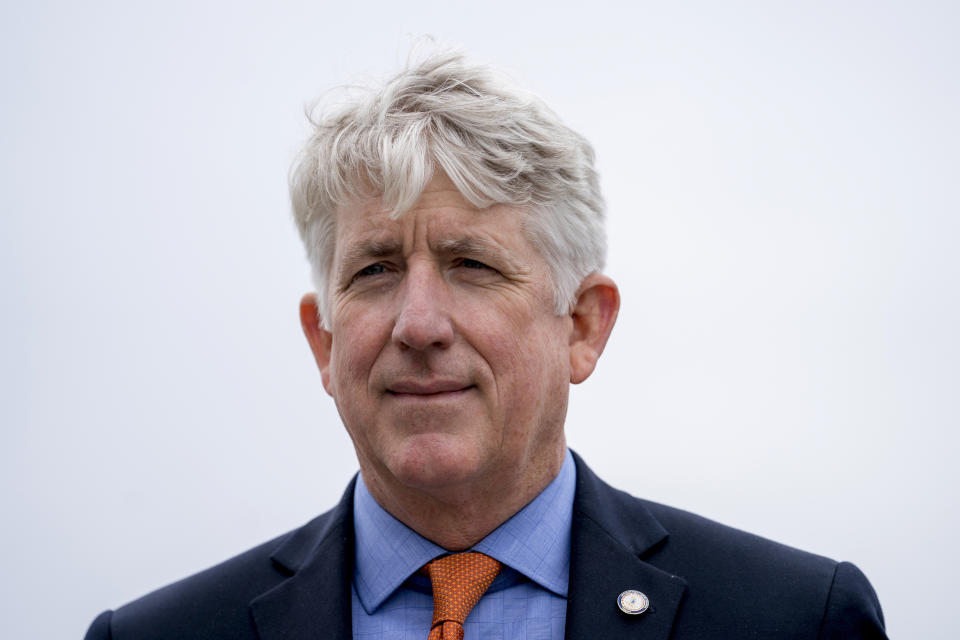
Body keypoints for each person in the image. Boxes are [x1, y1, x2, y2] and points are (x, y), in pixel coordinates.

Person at [84, 51, 887, 639]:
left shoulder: (792, 620)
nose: (419, 324)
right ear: (321, 342)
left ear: (582, 325)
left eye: (472, 265)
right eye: (374, 269)